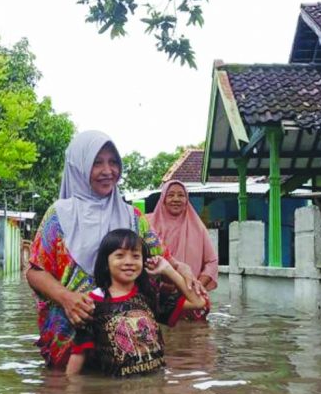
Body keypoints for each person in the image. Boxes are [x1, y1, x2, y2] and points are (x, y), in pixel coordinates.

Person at [26, 131, 200, 369]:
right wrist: (67, 298)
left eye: (113, 162)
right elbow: (35, 272)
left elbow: (164, 258)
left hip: (126, 341)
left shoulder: (132, 217)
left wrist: (184, 269)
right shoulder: (58, 215)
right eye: (96, 162)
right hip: (70, 334)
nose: (108, 171)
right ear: (79, 166)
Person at [66, 228, 208, 377]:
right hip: (117, 392)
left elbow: (198, 302)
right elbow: (78, 354)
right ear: (106, 262)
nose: (129, 262)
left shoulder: (149, 296)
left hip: (155, 387)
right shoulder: (91, 303)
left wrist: (168, 270)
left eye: (135, 256)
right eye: (119, 256)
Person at [148, 179, 219, 288]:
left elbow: (212, 262)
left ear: (186, 200)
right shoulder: (148, 224)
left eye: (181, 195)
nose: (176, 199)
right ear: (163, 199)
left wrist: (197, 285)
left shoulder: (198, 228)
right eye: (170, 195)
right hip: (155, 292)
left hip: (189, 294)